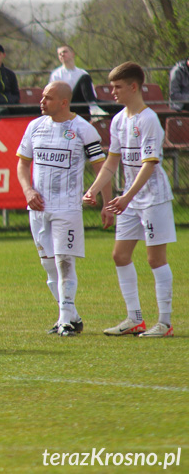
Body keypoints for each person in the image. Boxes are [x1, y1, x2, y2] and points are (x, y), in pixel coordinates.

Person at [84, 62, 176, 338]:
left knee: (155, 259)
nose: (112, 92)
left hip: (152, 199)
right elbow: (112, 163)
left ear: (133, 87)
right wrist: (93, 189)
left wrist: (126, 197)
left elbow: (149, 164)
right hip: (130, 199)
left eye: (117, 87)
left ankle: (165, 323)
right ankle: (134, 318)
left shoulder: (149, 120)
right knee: (120, 255)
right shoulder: (118, 120)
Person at [16, 81, 109, 337]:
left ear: (64, 102)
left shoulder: (83, 130)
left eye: (48, 97)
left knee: (64, 262)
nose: (42, 101)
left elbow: (101, 168)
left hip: (67, 208)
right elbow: (22, 165)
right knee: (48, 265)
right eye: (42, 96)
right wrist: (28, 191)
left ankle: (65, 321)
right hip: (38, 209)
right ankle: (72, 316)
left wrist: (103, 201)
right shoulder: (35, 127)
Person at [48, 45, 112, 117]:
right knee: (84, 78)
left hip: (85, 102)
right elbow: (53, 95)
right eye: (59, 54)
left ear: (73, 54)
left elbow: (91, 93)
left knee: (117, 106)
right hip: (68, 104)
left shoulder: (82, 72)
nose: (62, 55)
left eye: (64, 52)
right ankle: (94, 108)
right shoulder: (56, 74)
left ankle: (94, 108)